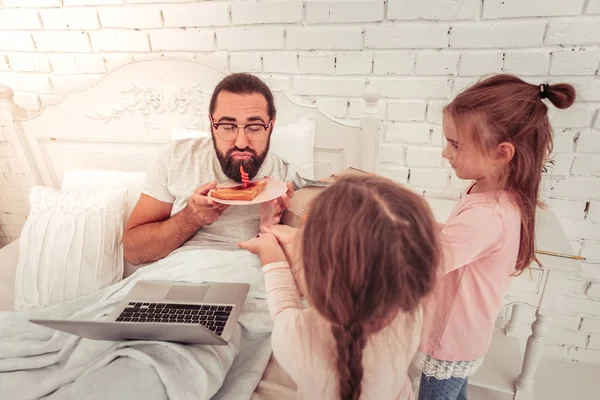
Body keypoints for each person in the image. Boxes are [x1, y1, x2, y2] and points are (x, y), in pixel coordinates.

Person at [413, 74, 576, 400]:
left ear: (502, 153)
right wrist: (425, 221)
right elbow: (453, 246)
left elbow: (425, 266)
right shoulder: (493, 194)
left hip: (449, 339)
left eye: (455, 144)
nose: (446, 153)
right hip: (465, 335)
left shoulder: (486, 215)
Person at [239, 175, 441, 400]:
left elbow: (284, 308)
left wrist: (271, 254)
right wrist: (300, 248)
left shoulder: (296, 339)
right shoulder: (410, 314)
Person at [123, 73, 297, 266]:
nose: (240, 143)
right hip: (175, 276)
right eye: (227, 126)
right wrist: (190, 218)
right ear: (212, 124)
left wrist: (270, 228)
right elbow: (133, 252)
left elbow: (305, 263)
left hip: (252, 279)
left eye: (254, 127)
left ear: (270, 126)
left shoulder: (284, 176)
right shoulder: (176, 157)